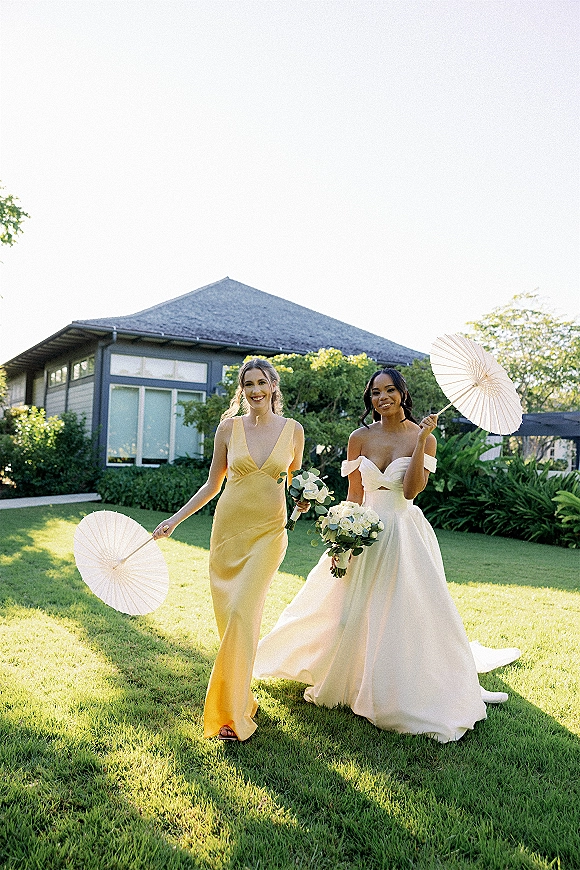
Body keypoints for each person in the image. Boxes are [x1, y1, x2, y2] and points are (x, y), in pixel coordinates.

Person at [253, 368, 520, 743]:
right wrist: (343, 534)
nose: (383, 398)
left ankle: (397, 689)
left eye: (390, 390)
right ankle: (343, 675)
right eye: (376, 392)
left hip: (403, 533)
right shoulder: (358, 437)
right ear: (370, 398)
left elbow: (411, 491)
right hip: (362, 529)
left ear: (402, 394)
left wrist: (423, 439)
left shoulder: (421, 437)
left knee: (398, 611)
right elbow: (355, 492)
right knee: (345, 609)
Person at [153, 358, 306, 742]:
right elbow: (211, 485)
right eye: (248, 384)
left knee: (241, 613)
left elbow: (297, 482)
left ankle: (229, 716)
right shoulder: (228, 429)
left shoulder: (294, 431)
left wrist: (304, 502)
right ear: (242, 390)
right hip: (228, 534)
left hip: (269, 535)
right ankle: (242, 697)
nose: (255, 390)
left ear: (273, 386)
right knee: (233, 624)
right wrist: (175, 520)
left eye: (261, 383)